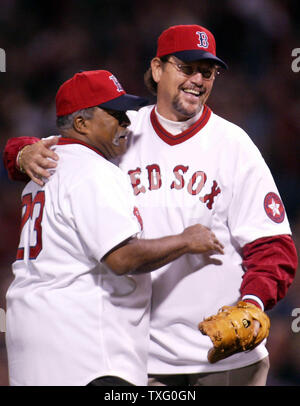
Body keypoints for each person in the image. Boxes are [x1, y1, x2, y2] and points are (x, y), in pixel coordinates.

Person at [3, 25, 298, 386]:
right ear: (157, 69)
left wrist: (253, 301)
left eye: (208, 72)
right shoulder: (120, 130)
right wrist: (22, 152)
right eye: (186, 68)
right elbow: (58, 147)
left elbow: (275, 247)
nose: (198, 80)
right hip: (146, 361)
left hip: (227, 360)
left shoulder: (234, 146)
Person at [4, 69, 224, 387]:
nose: (126, 124)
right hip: (85, 347)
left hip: (34, 341)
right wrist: (186, 240)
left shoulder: (43, 168)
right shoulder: (93, 170)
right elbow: (122, 258)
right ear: (81, 123)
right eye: (116, 115)